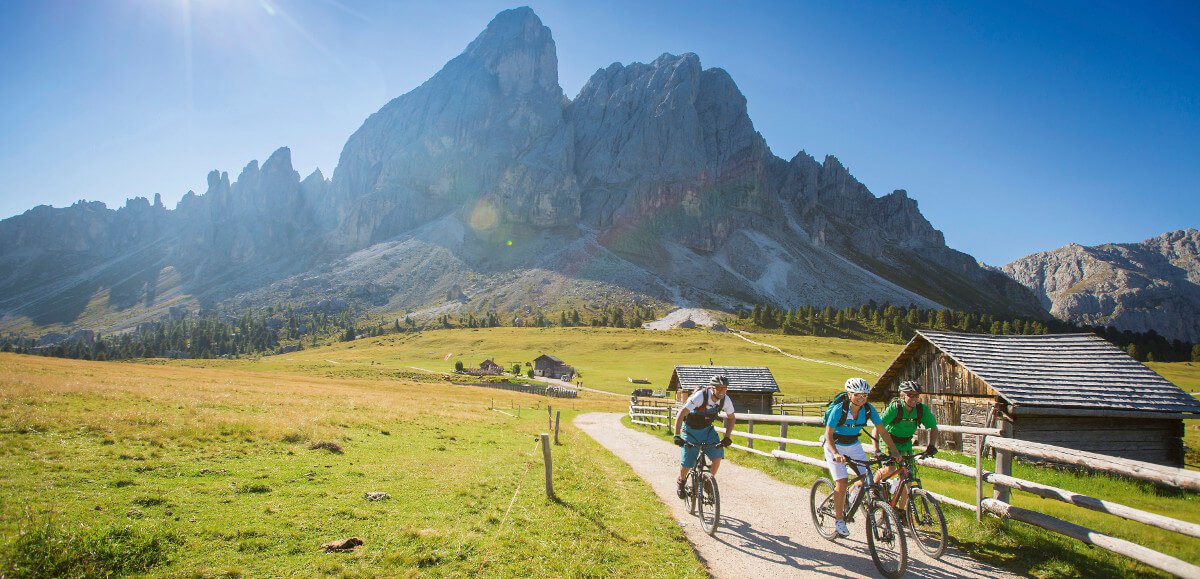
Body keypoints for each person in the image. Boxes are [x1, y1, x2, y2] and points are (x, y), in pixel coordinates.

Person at [823, 377, 901, 538]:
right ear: (849, 394)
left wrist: (895, 451)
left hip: (854, 444)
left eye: (865, 395)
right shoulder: (839, 409)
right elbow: (828, 435)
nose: (861, 399)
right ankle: (839, 520)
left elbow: (883, 431)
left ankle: (852, 495)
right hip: (835, 444)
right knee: (842, 482)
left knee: (868, 477)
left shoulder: (868, 409)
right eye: (858, 395)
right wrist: (836, 454)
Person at [874, 380, 938, 513]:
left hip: (906, 443)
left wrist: (931, 445)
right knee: (890, 468)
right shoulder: (895, 408)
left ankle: (901, 511)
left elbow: (933, 427)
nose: (914, 398)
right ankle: (874, 486)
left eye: (916, 395)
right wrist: (876, 450)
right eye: (911, 395)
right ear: (903, 396)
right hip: (888, 441)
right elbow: (878, 427)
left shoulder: (921, 409)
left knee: (908, 479)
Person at [673, 375, 736, 499]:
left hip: (707, 431)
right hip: (690, 430)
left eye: (725, 388)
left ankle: (708, 482)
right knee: (687, 463)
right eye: (719, 388)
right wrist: (677, 435)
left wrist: (727, 437)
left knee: (717, 457)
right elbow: (681, 413)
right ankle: (681, 481)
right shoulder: (700, 396)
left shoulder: (725, 400)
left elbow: (732, 418)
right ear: (713, 388)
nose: (723, 391)